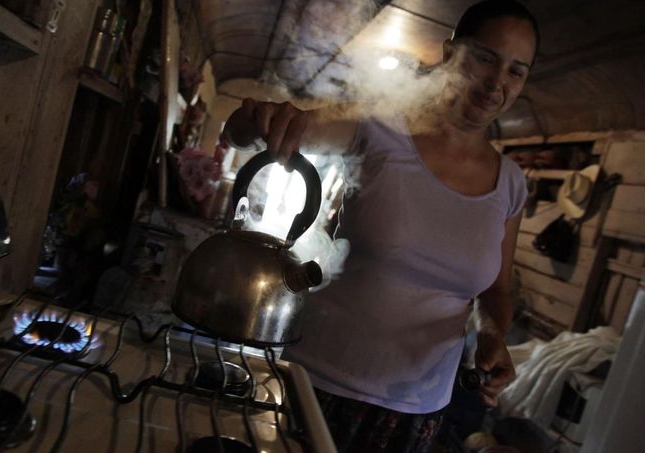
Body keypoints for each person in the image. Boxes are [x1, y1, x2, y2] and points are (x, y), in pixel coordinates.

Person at [224, 1, 539, 451]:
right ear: (450, 54)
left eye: (516, 71)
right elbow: (244, 132)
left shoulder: (510, 184)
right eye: (486, 58)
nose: (497, 83)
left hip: (418, 410)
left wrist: (493, 336)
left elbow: (497, 290)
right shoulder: (379, 129)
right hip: (317, 385)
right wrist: (259, 119)